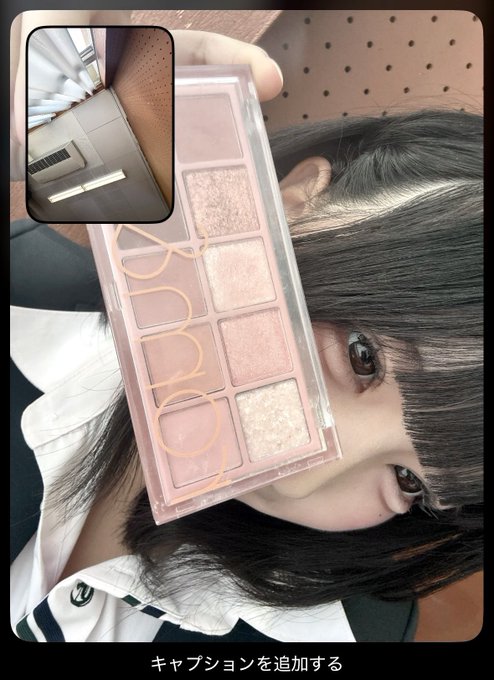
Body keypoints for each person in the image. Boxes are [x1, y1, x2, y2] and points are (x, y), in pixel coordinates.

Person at [10, 24, 482, 643]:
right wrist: (46, 90)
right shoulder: (22, 292)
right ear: (296, 201)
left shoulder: (346, 638)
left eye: (409, 483)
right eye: (362, 357)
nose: (300, 477)